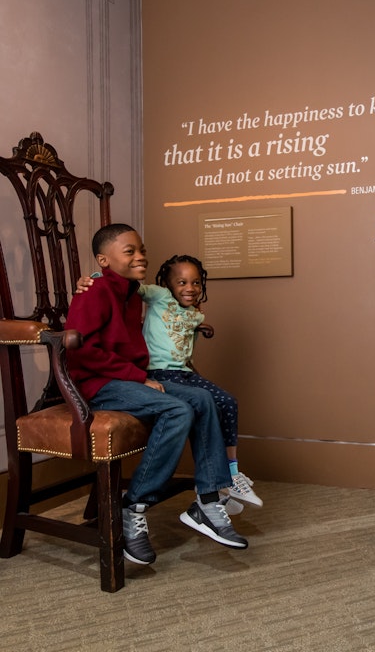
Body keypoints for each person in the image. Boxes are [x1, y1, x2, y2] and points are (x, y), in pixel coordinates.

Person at [65, 223, 248, 566]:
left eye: (142, 250)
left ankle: (207, 501)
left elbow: (163, 315)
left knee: (203, 399)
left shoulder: (134, 294)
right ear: (104, 260)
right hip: (97, 385)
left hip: (128, 381)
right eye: (130, 251)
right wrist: (138, 377)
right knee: (178, 410)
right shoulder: (94, 291)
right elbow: (80, 352)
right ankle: (133, 506)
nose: (140, 256)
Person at [79, 254, 264, 512]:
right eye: (182, 282)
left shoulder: (195, 314)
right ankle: (209, 487)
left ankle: (222, 481)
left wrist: (197, 325)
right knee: (195, 404)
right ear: (168, 285)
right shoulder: (159, 296)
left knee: (225, 401)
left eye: (196, 283)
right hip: (159, 372)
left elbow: (181, 340)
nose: (190, 288)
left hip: (183, 372)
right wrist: (93, 278)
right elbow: (130, 287)